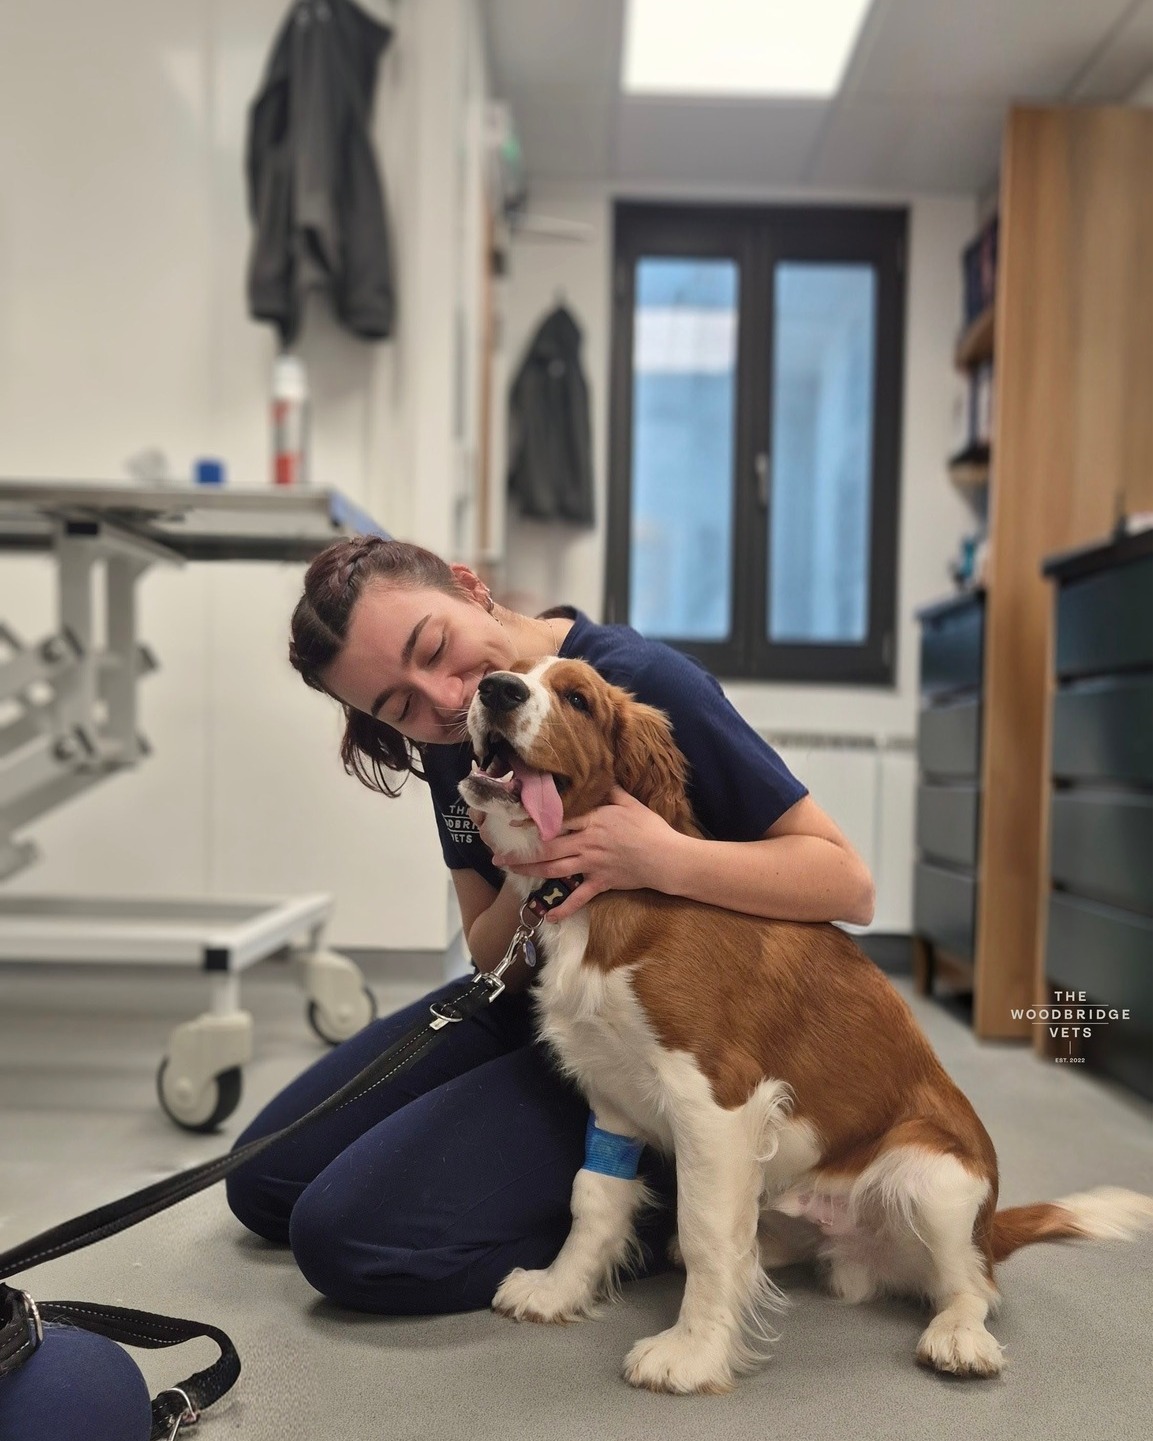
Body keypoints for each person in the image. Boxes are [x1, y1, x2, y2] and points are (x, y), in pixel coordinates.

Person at [223, 534, 875, 1316]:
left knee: (347, 1241)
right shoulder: (450, 734)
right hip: (545, 995)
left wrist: (655, 857)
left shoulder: (637, 684)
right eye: (394, 705)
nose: (438, 697)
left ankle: (685, 1198)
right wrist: (525, 861)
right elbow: (491, 949)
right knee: (265, 1179)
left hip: (669, 1042)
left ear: (467, 587)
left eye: (434, 646)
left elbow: (848, 883)